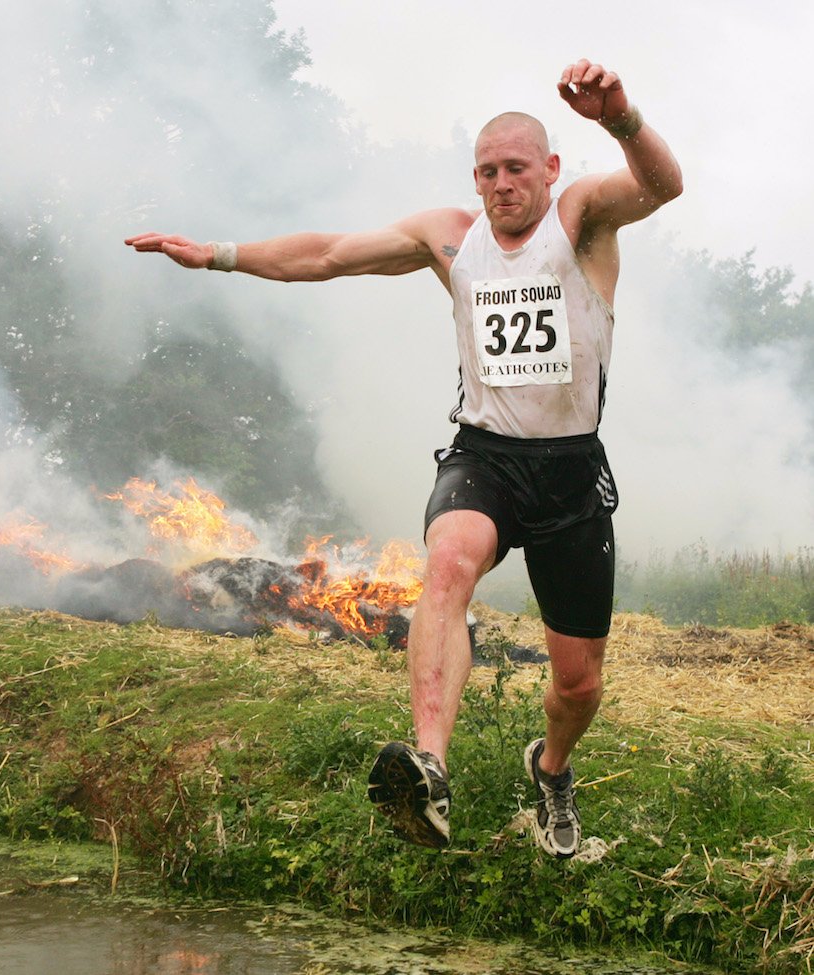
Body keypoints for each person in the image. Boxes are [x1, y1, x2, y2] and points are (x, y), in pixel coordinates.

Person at [125, 60, 683, 858]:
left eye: (516, 169)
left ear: (550, 169)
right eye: (487, 172)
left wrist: (621, 114)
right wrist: (216, 253)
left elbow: (663, 185)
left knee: (578, 682)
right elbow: (327, 254)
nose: (501, 186)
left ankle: (551, 767)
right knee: (447, 563)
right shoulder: (448, 235)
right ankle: (429, 768)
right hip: (484, 454)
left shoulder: (582, 217)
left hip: (568, 471)